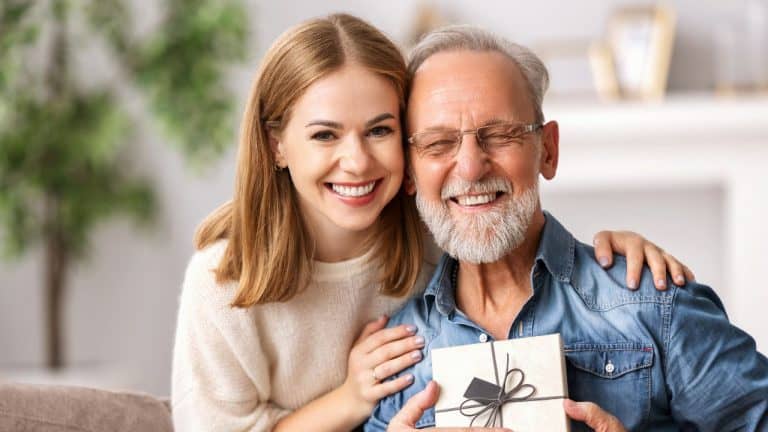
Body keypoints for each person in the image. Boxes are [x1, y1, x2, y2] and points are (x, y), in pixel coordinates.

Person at [171, 14, 694, 432]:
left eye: (379, 130)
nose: (356, 162)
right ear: (276, 145)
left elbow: (520, 233)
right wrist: (350, 399)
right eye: (325, 135)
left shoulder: (432, 237)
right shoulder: (225, 283)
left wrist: (614, 250)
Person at [366, 25, 768, 432]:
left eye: (500, 135)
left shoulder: (653, 303)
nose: (471, 168)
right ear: (410, 171)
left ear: (549, 151)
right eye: (438, 143)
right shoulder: (396, 355)